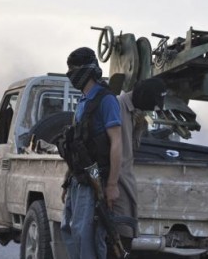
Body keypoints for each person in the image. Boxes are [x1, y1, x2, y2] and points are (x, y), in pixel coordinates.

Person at [60, 47, 122, 259]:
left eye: (74, 70)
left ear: (87, 70)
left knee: (85, 234)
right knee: (68, 229)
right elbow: (76, 145)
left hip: (95, 178)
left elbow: (116, 142)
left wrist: (112, 185)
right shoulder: (82, 102)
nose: (71, 75)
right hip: (78, 178)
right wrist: (67, 182)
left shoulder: (106, 100)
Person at [111, 78, 167, 257]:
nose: (151, 108)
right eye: (152, 103)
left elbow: (131, 147)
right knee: (119, 238)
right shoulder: (117, 106)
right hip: (117, 183)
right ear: (142, 96)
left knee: (126, 237)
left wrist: (140, 127)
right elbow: (109, 148)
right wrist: (110, 185)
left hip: (126, 181)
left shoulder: (134, 112)